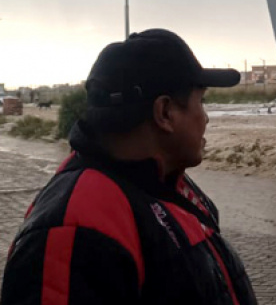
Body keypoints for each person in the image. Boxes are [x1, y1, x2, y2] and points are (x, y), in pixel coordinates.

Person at [1, 29, 258, 305]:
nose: (205, 118)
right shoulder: (76, 226)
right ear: (165, 113)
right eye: (201, 101)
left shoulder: (166, 182)